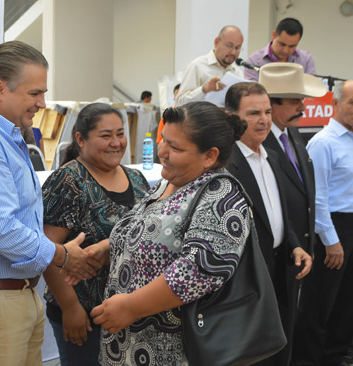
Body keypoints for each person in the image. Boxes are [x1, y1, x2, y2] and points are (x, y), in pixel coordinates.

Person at [0, 41, 99, 366]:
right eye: (34, 93)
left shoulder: (7, 136)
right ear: (0, 88)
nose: (42, 103)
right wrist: (61, 255)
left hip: (17, 296)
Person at [90, 101, 251, 365]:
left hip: (171, 351)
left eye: (174, 147)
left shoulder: (221, 195)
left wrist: (130, 306)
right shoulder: (170, 181)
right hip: (128, 345)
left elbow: (199, 269)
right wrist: (107, 249)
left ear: (210, 156)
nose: (161, 151)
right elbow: (145, 231)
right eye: (163, 139)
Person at [42, 103, 150, 366]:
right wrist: (70, 308)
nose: (116, 143)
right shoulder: (68, 181)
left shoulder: (136, 179)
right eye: (105, 136)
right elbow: (46, 249)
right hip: (85, 316)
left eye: (120, 133)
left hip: (131, 311)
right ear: (80, 139)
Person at [225, 82, 312, 366]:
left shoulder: (272, 157)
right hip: (247, 281)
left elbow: (277, 214)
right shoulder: (226, 165)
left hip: (281, 272)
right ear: (232, 116)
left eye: (266, 111)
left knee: (280, 351)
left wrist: (295, 245)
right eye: (253, 113)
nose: (263, 120)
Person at [291, 80, 353, 366]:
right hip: (332, 229)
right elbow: (318, 199)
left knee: (346, 303)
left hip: (350, 226)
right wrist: (331, 241)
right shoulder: (323, 143)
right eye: (351, 103)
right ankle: (309, 360)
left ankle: (336, 356)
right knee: (319, 305)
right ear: (335, 104)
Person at [260, 62, 325, 257]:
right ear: (272, 104)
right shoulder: (260, 143)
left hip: (301, 249)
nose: (303, 107)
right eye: (296, 101)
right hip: (279, 253)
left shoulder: (292, 133)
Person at [176, 25, 243, 106]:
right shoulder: (197, 66)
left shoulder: (237, 73)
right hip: (201, 118)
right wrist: (204, 89)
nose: (233, 52)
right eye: (229, 46)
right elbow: (180, 102)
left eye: (238, 48)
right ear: (217, 42)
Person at [245, 18, 316, 81]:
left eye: (292, 46)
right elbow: (252, 93)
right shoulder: (253, 61)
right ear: (273, 35)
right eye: (282, 44)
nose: (286, 50)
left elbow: (312, 89)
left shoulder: (306, 59)